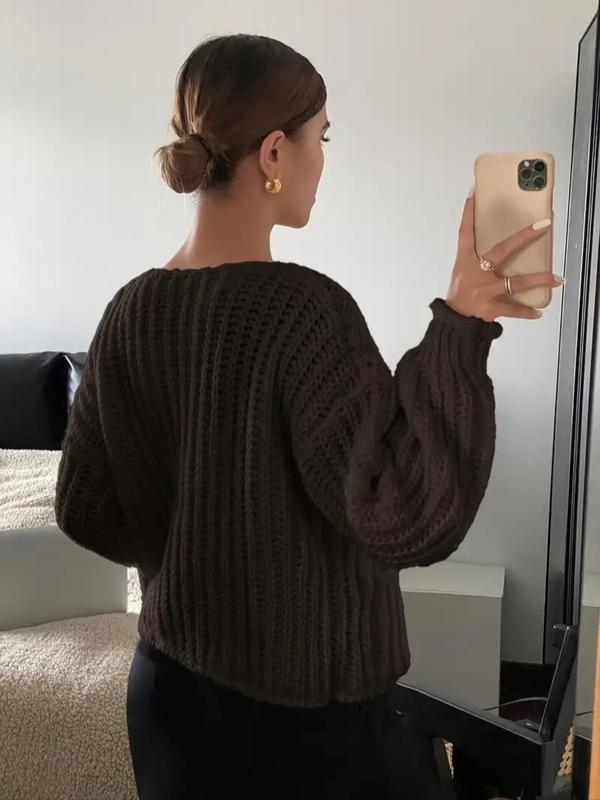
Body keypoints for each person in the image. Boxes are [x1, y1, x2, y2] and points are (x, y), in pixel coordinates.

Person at [54, 33, 563, 800]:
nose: (323, 159)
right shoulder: (302, 310)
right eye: (321, 137)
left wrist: (196, 555)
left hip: (168, 699)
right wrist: (460, 328)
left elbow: (84, 506)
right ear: (273, 153)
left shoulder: (130, 310)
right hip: (306, 730)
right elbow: (407, 515)